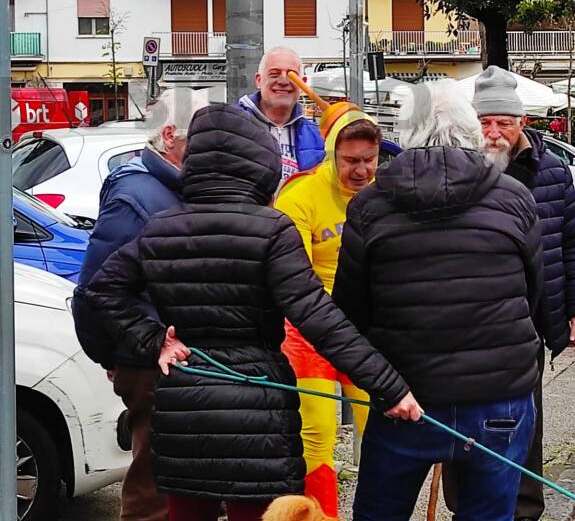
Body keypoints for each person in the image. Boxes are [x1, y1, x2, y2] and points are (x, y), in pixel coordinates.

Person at [79, 104, 421, 521]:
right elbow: (317, 316)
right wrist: (390, 386)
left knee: (187, 511)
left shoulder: (161, 226)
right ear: (259, 163)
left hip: (185, 399)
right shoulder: (272, 229)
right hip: (257, 402)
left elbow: (102, 288)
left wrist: (154, 341)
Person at [332, 80, 543, 521]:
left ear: (406, 134)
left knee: (379, 514)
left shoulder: (370, 206)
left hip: (404, 395)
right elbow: (532, 290)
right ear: (471, 132)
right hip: (499, 395)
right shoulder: (514, 198)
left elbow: (350, 310)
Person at [73, 87, 207, 521]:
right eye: (200, 139)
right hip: (153, 361)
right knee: (153, 493)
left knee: (177, 485)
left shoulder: (174, 189)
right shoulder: (137, 197)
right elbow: (95, 290)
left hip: (170, 358)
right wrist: (124, 352)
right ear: (171, 135)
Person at [471, 65, 575, 521]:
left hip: (530, 319)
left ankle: (525, 508)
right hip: (472, 319)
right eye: (485, 122)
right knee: (470, 419)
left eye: (503, 122)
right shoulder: (461, 171)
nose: (493, 132)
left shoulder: (553, 173)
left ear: (521, 124)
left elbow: (570, 247)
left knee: (525, 420)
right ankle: (471, 505)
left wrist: (572, 310)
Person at [276, 110, 381, 516]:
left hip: (365, 328)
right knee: (316, 433)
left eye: (368, 159)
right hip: (309, 330)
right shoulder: (299, 197)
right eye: (351, 160)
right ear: (331, 155)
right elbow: (293, 279)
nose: (361, 170)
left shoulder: (384, 195)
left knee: (379, 429)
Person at [238, 46, 325, 184]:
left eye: (292, 75)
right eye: (274, 74)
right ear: (258, 80)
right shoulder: (231, 127)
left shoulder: (319, 137)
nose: (283, 81)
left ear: (303, 83)